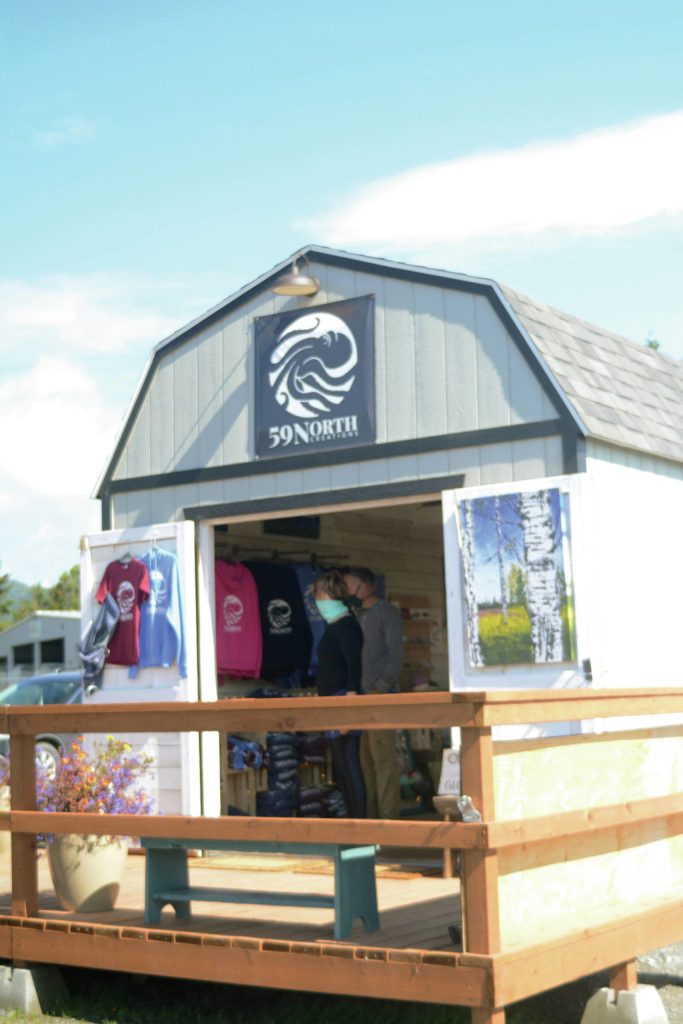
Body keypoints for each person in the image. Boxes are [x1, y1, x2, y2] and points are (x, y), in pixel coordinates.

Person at [343, 567, 403, 819]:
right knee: (366, 762)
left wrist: (380, 688)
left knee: (383, 761)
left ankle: (389, 821)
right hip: (360, 696)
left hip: (380, 696)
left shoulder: (387, 613)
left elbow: (396, 658)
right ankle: (372, 818)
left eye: (350, 585)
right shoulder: (358, 615)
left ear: (364, 585)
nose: (347, 591)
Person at [312, 570, 366, 818]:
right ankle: (352, 818)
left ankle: (359, 819)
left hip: (343, 697)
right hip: (331, 699)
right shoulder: (334, 626)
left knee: (349, 762)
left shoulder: (346, 625)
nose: (318, 602)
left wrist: (351, 696)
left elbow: (354, 663)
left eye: (319, 597)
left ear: (329, 595)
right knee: (341, 766)